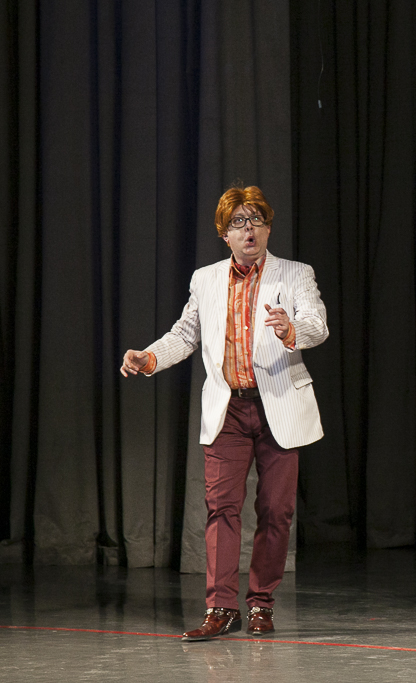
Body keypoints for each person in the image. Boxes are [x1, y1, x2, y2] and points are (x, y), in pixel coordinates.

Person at [121, 185, 328, 641]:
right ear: (224, 234)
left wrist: (292, 330)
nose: (248, 228)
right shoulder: (206, 279)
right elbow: (185, 334)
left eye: (256, 219)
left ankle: (261, 605)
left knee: (276, 510)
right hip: (228, 408)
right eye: (238, 222)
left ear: (268, 228)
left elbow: (317, 324)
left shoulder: (295, 274)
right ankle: (221, 608)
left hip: (278, 406)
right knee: (221, 509)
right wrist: (149, 357)